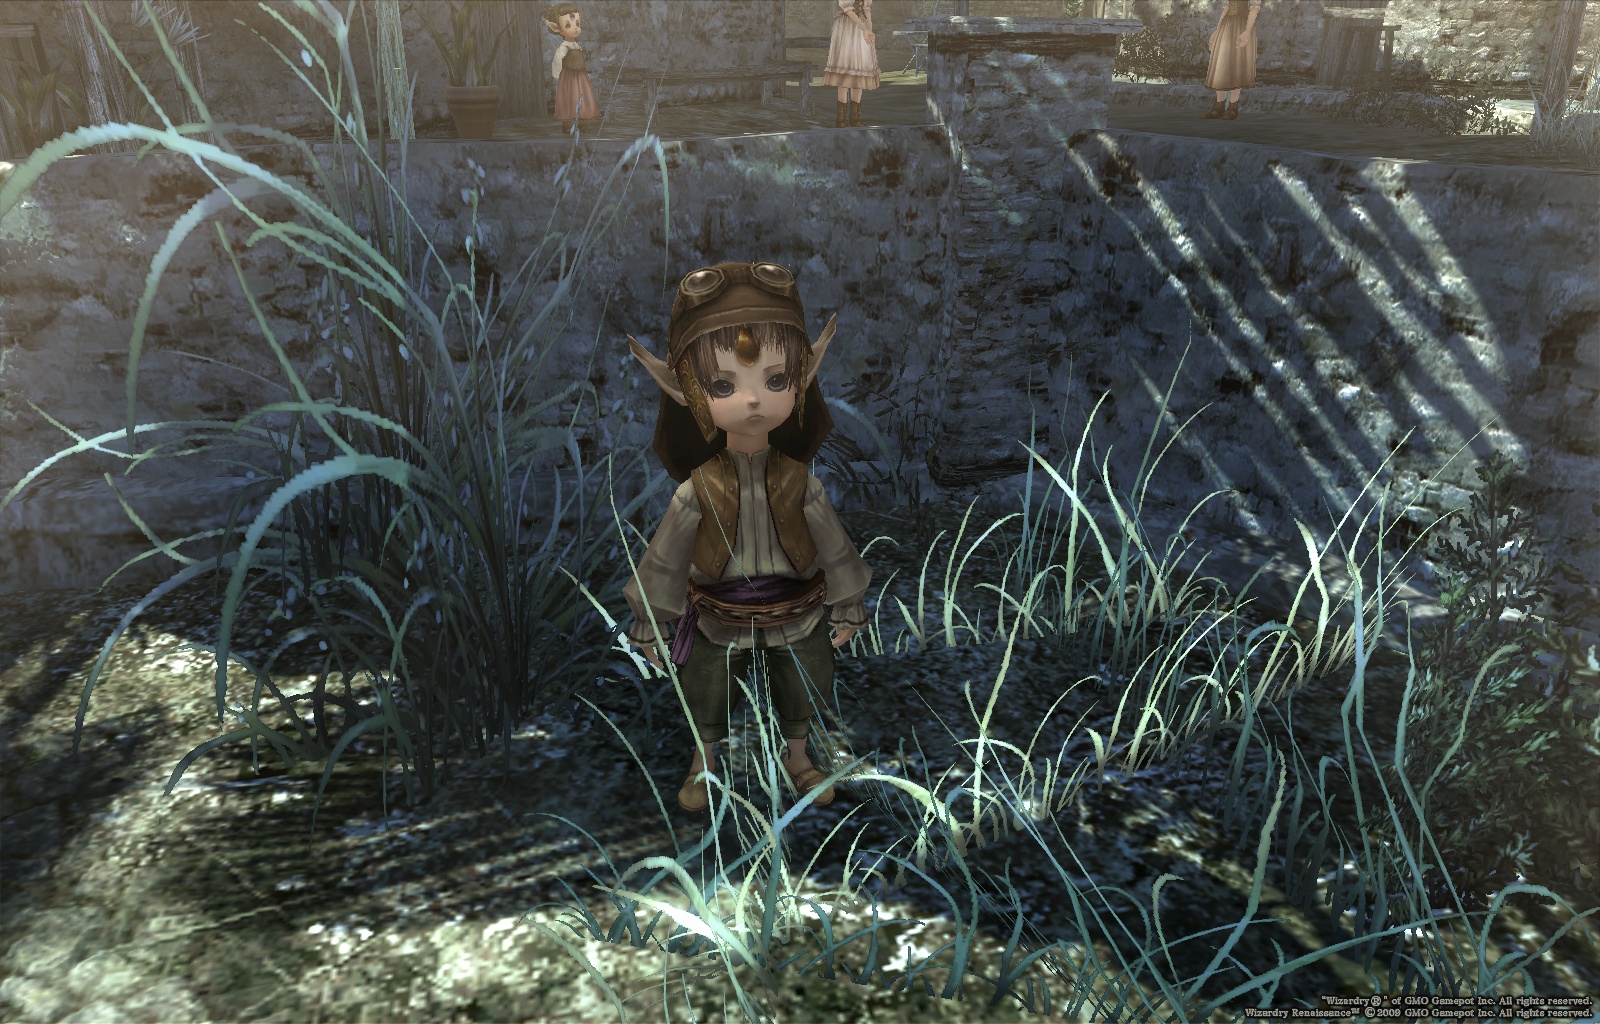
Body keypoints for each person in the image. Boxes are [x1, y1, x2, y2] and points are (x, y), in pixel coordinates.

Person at [622, 262, 873, 814]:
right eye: (724, 385)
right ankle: (704, 761)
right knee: (706, 686)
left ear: (801, 378)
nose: (754, 399)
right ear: (686, 391)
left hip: (796, 609)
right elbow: (666, 556)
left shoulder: (798, 480)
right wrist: (649, 617)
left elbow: (834, 545)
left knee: (806, 679)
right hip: (718, 614)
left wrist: (848, 601)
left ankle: (798, 756)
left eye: (775, 380)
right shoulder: (699, 486)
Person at [545, 2, 600, 134]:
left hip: (580, 77)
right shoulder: (563, 48)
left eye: (577, 24)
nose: (575, 28)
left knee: (583, 98)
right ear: (558, 29)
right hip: (569, 78)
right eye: (568, 25)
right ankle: (567, 125)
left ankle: (582, 123)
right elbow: (557, 62)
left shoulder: (576, 46)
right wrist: (558, 76)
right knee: (569, 99)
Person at [1202, 0, 1263, 120]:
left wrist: (1247, 31)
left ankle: (1233, 107)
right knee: (1220, 63)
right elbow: (1226, 9)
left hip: (1241, 26)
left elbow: (1254, 8)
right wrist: (1217, 31)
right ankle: (1218, 108)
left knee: (1237, 63)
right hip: (1226, 26)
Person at [824, 0, 880, 128]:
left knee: (859, 69)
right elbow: (849, 11)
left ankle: (855, 118)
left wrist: (870, 31)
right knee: (846, 69)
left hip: (862, 31)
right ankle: (841, 119)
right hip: (847, 29)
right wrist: (864, 29)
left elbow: (867, 10)